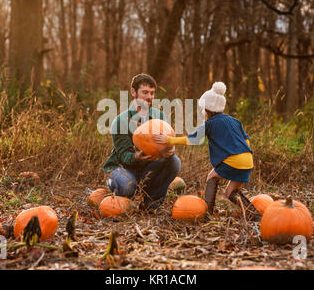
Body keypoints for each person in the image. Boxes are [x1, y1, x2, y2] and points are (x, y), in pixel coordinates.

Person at [152, 81, 260, 220]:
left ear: (207, 109)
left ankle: (207, 213)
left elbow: (193, 139)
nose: (202, 112)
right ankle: (255, 215)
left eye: (203, 109)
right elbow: (246, 140)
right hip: (247, 160)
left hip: (233, 160)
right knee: (231, 192)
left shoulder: (209, 124)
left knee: (212, 177)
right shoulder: (234, 121)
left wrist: (169, 140)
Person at [103, 74, 181, 211]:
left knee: (174, 161)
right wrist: (136, 157)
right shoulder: (120, 121)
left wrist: (169, 149)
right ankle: (126, 199)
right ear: (133, 92)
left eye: (152, 93)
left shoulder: (159, 117)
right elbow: (123, 156)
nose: (149, 97)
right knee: (126, 185)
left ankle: (151, 204)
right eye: (145, 92)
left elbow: (165, 142)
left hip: (147, 168)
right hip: (123, 167)